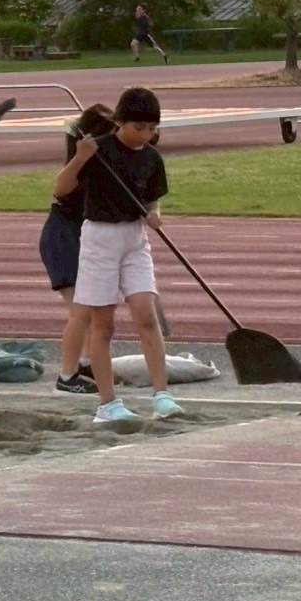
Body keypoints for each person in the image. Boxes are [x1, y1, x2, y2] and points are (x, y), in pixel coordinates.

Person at [52, 87, 182, 425]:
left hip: (134, 239)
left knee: (146, 314)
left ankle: (162, 395)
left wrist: (154, 213)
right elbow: (61, 188)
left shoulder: (152, 157)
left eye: (152, 128)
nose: (145, 135)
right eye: (138, 127)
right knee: (103, 325)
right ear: (120, 122)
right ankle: (108, 404)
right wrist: (80, 157)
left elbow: (152, 198)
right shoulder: (98, 150)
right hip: (99, 238)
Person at [40, 104, 116, 395]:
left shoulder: (107, 163)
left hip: (85, 237)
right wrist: (82, 156)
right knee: (81, 311)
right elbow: (60, 189)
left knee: (96, 311)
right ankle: (67, 376)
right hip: (62, 236)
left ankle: (84, 363)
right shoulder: (80, 161)